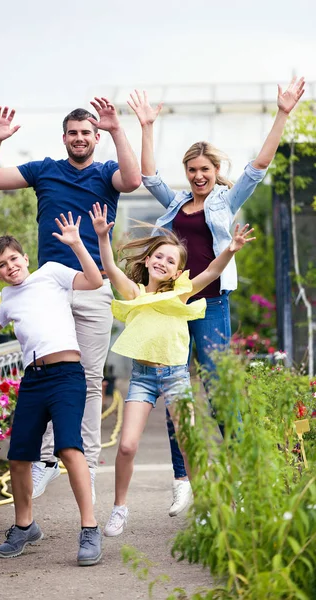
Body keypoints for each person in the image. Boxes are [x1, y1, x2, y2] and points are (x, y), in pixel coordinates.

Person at [127, 78, 305, 517]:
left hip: (210, 306)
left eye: (205, 169)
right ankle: (182, 479)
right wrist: (147, 126)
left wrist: (282, 114)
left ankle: (242, 477)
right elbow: (148, 177)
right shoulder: (174, 205)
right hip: (171, 308)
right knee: (175, 391)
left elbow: (258, 167)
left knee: (218, 388)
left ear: (214, 170)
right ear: (186, 173)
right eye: (192, 170)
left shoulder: (226, 200)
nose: (199, 176)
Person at [0, 99, 141, 500]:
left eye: (87, 133)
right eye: (73, 133)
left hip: (92, 284)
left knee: (89, 379)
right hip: (50, 289)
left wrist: (120, 129)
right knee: (48, 374)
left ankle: (86, 464)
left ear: (96, 138)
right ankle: (47, 460)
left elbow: (134, 180)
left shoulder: (105, 173)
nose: (79, 138)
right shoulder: (44, 170)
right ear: (64, 137)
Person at [89, 202, 255, 536]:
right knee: (126, 445)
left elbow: (209, 273)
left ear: (179, 271)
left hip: (176, 377)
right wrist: (102, 238)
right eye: (159, 256)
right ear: (148, 260)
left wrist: (231, 250)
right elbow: (109, 266)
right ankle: (119, 508)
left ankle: (204, 506)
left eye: (171, 260)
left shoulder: (181, 294)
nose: (163, 262)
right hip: (143, 379)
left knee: (187, 441)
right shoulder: (134, 293)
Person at [0, 213, 103, 565]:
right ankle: (24, 525)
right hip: (33, 379)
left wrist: (76, 243)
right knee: (18, 456)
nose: (10, 266)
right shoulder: (8, 299)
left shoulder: (51, 274)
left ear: (25, 257)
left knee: (68, 447)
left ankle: (89, 529)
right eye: (2, 265)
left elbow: (93, 280)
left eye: (14, 258)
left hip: (67, 375)